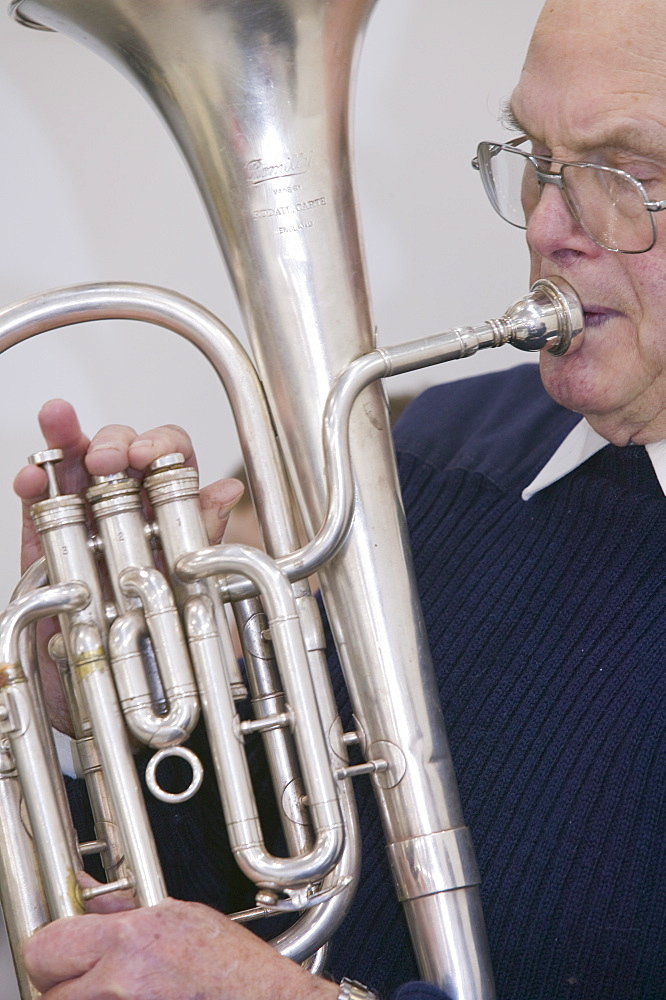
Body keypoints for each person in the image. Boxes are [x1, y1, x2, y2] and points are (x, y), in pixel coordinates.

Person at [11, 0, 666, 996]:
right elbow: (271, 885)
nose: (543, 224)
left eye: (629, 175)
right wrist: (115, 692)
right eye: (535, 155)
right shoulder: (438, 446)